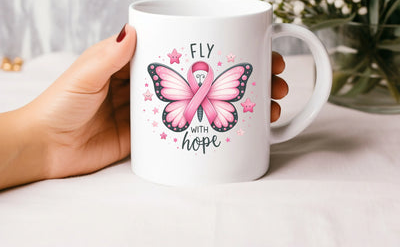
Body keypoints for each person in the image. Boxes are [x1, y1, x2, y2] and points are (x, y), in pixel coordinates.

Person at [0, 25, 288, 190]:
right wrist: (47, 139)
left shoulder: (203, 84)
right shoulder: (186, 84)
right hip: (194, 112)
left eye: (203, 76)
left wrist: (47, 142)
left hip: (198, 112)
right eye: (197, 76)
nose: (200, 79)